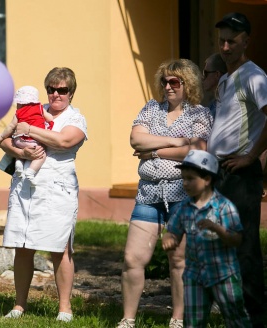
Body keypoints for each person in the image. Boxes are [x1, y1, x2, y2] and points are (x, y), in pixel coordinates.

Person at [118, 59, 213, 328]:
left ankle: (178, 319)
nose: (168, 86)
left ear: (188, 84)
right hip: (149, 192)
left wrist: (156, 151)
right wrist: (176, 141)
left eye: (175, 82)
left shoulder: (199, 114)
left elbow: (198, 150)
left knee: (179, 259)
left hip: (182, 194)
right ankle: (127, 320)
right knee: (132, 258)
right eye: (165, 81)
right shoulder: (150, 108)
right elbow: (136, 140)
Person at [0, 67, 87, 322]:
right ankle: (19, 305)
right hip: (24, 186)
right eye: (51, 89)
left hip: (57, 189)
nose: (56, 94)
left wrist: (28, 129)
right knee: (22, 246)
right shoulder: (31, 109)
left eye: (62, 90)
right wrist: (23, 153)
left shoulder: (75, 118)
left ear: (71, 92)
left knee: (59, 248)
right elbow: (5, 139)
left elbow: (62, 141)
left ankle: (64, 308)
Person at [207, 12, 267, 327]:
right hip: (221, 171)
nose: (226, 47)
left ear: (246, 40)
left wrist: (251, 157)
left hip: (240, 173)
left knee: (244, 245)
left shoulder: (253, 75)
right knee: (223, 243)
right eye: (222, 41)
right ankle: (235, 313)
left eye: (232, 41)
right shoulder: (228, 78)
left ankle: (256, 317)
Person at [162, 150, 251, 327]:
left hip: (223, 275)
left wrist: (218, 229)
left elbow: (237, 239)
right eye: (183, 178)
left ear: (207, 179)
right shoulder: (184, 208)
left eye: (191, 179)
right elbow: (173, 231)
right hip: (195, 276)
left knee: (236, 317)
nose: (185, 183)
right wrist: (169, 239)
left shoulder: (224, 207)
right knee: (194, 321)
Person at [0, 86, 54, 183]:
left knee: (18, 147)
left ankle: (19, 165)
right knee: (41, 155)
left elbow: (11, 126)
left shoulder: (18, 113)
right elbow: (50, 118)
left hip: (19, 140)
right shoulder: (40, 109)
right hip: (33, 141)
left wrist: (1, 136)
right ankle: (31, 171)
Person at [202, 53, 227, 118]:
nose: (202, 77)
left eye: (205, 73)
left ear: (217, 74)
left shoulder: (228, 104)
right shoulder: (212, 104)